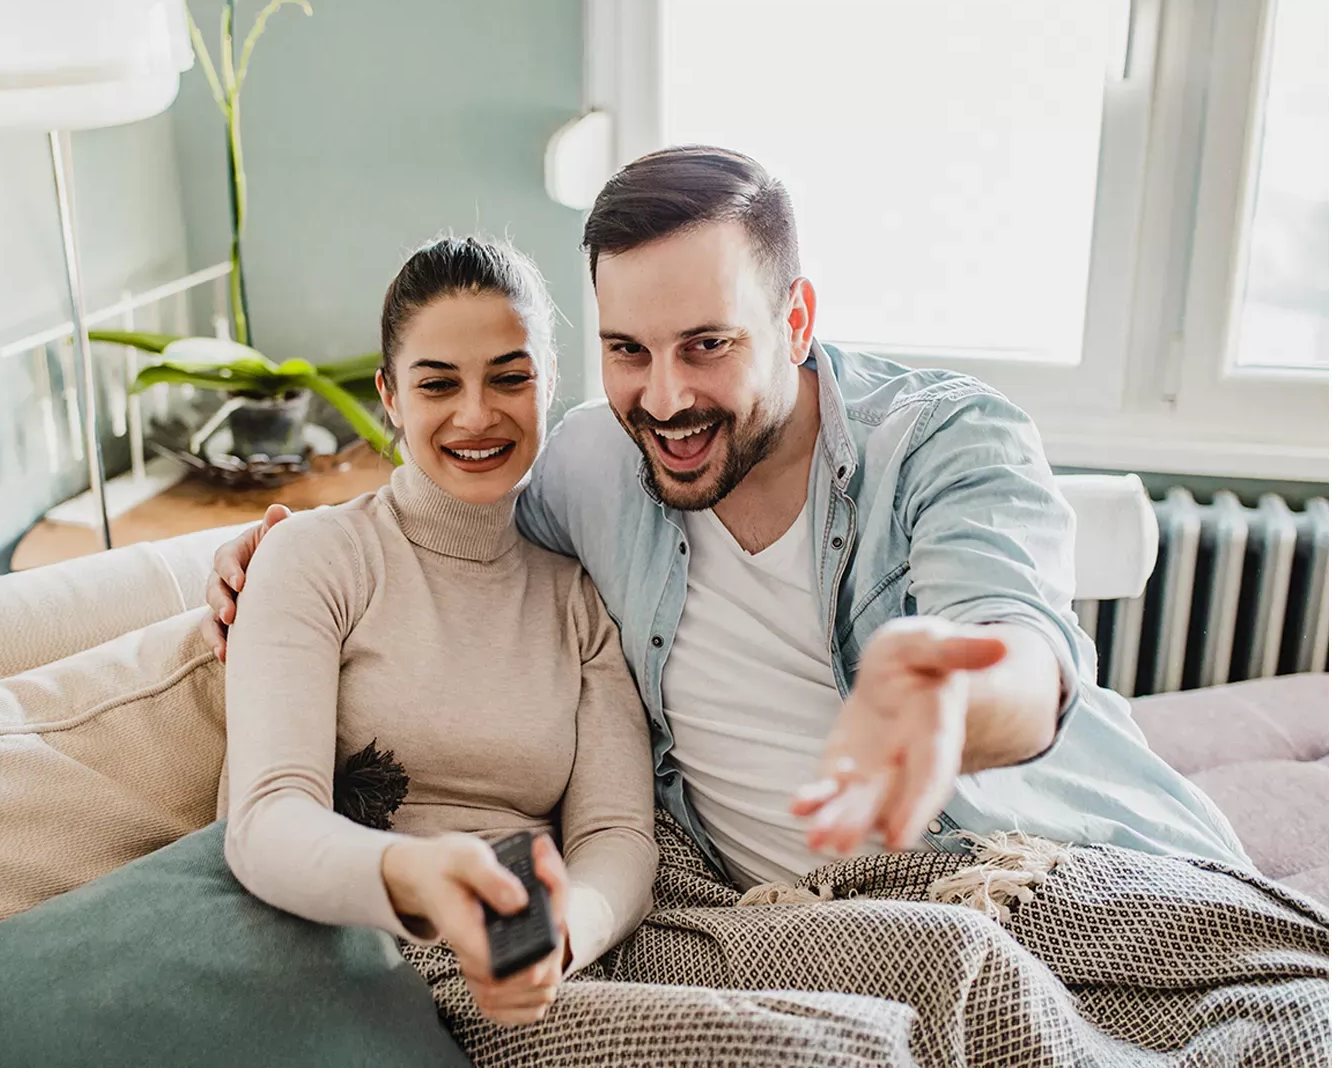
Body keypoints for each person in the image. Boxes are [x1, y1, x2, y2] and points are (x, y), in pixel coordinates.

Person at [209, 146, 1247, 902]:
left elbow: (1024, 652)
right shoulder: (587, 464)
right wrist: (265, 553)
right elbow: (443, 516)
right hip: (802, 931)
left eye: (706, 345)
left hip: (1054, 869)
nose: (664, 400)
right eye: (628, 351)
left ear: (795, 322)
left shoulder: (947, 441)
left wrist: (951, 703)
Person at [219, 236, 657, 1028]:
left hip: (556, 955)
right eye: (438, 384)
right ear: (391, 396)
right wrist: (419, 879)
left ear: (548, 383)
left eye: (509, 377)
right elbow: (264, 819)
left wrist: (556, 937)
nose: (477, 414)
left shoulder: (575, 598)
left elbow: (616, 831)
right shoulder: (317, 558)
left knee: (932, 948)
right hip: (377, 958)